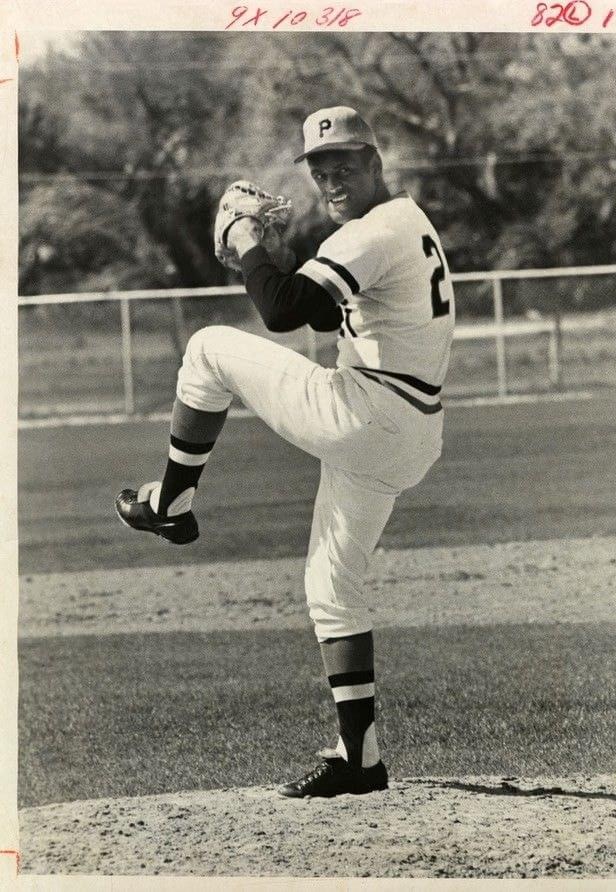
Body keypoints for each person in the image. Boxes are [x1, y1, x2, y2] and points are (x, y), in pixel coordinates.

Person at [115, 106, 455, 797]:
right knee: (331, 587)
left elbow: (277, 312)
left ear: (375, 162)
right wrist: (275, 259)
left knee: (209, 349)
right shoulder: (406, 223)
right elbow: (325, 310)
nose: (331, 176)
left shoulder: (375, 230)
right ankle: (361, 757)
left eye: (346, 163)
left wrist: (246, 241)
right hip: (410, 432)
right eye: (319, 167)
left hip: (366, 414)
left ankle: (172, 501)